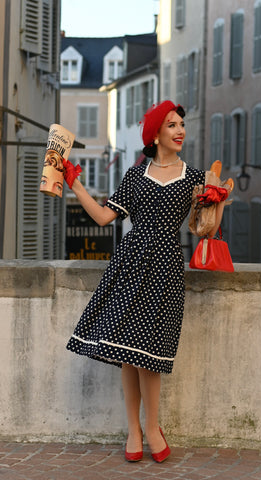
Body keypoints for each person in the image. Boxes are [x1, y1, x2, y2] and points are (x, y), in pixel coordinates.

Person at [64, 100, 227, 463]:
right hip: (129, 263)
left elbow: (207, 229)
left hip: (166, 266)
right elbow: (106, 218)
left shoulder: (196, 177)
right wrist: (75, 186)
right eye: (172, 125)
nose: (180, 129)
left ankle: (152, 426)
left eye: (181, 124)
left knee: (150, 353)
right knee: (127, 349)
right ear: (155, 134)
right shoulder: (135, 176)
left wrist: (216, 201)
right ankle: (134, 429)